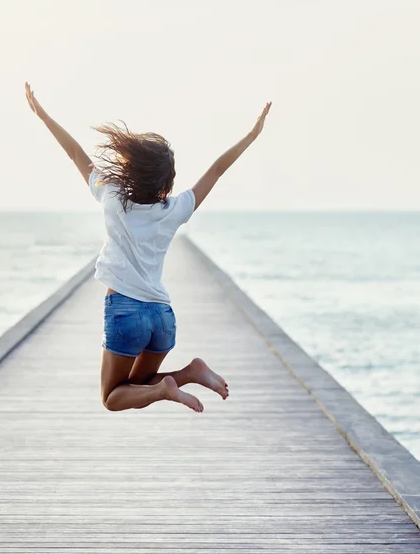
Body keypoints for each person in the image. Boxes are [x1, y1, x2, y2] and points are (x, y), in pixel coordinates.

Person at [25, 82, 272, 413]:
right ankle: (189, 373)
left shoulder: (111, 197)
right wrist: (252, 136)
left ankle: (165, 391)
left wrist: (42, 115)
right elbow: (216, 170)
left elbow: (74, 152)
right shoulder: (174, 210)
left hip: (126, 312)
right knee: (137, 386)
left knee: (112, 397)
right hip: (162, 317)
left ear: (130, 169)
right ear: (166, 182)